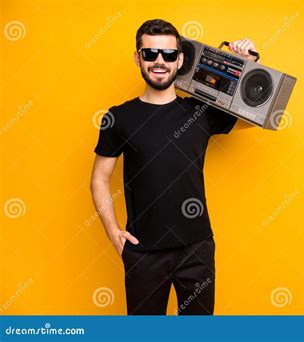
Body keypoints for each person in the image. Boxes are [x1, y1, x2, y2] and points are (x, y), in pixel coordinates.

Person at [90, 18, 258, 315]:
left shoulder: (201, 111)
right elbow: (100, 179)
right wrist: (114, 233)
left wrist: (248, 66)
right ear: (137, 58)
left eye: (168, 54)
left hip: (197, 249)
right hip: (143, 251)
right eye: (150, 53)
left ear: (180, 60)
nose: (159, 61)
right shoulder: (118, 117)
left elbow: (255, 118)